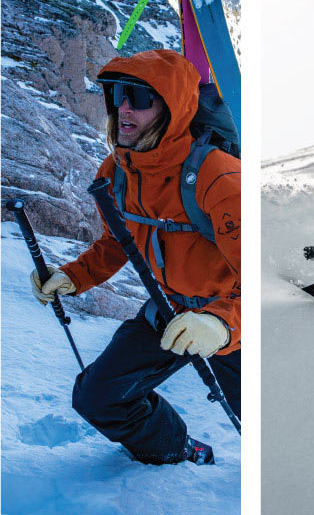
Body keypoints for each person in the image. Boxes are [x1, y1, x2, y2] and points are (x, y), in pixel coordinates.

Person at [29, 49, 241, 465]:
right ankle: (175, 447)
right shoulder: (117, 170)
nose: (124, 108)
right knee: (97, 397)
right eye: (118, 95)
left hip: (229, 318)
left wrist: (220, 324)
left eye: (141, 98)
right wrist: (72, 277)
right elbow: (117, 242)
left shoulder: (219, 177)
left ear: (173, 109)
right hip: (167, 310)